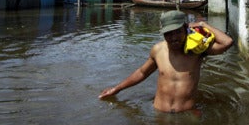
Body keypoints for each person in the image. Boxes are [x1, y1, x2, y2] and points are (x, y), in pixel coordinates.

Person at [98, 10, 233, 113]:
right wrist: (117, 89)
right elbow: (142, 72)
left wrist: (203, 24)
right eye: (168, 33)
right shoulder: (158, 50)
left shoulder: (197, 50)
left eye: (177, 32)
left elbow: (227, 42)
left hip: (186, 113)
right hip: (159, 112)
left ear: (186, 28)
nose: (173, 38)